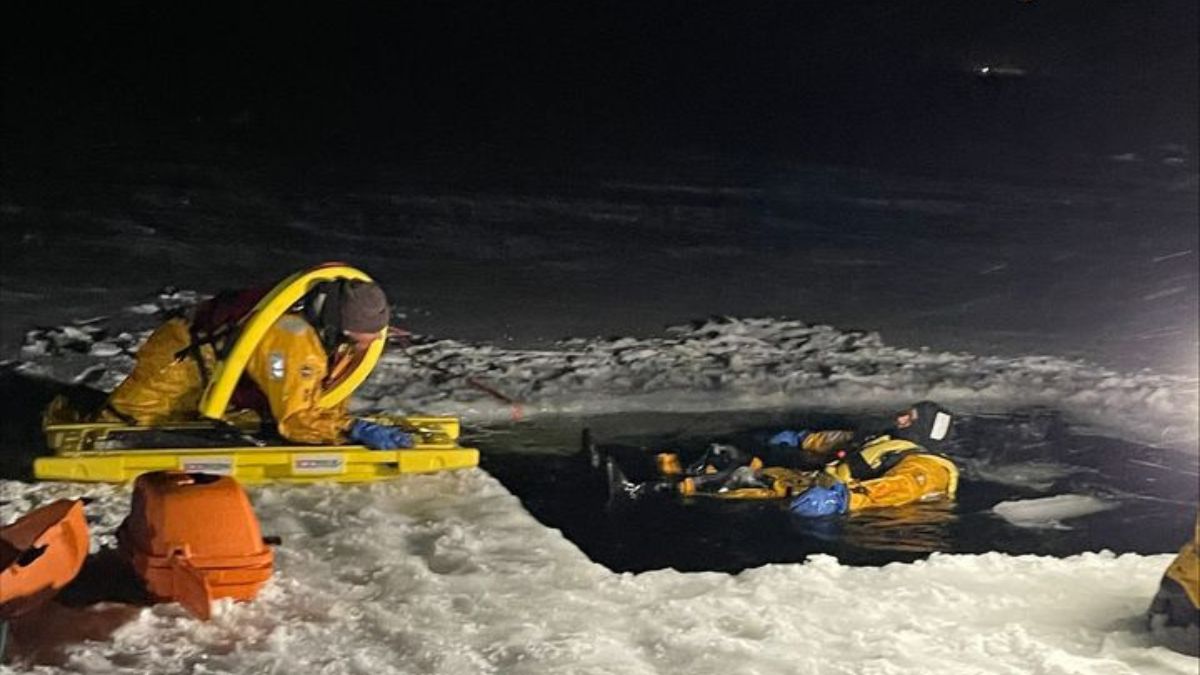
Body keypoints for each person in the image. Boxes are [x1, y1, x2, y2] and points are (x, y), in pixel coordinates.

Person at [89, 275, 413, 449]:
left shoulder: (321, 323)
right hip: (180, 362)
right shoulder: (295, 338)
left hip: (214, 368)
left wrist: (337, 423)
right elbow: (296, 419)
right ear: (338, 325)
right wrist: (351, 429)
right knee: (122, 426)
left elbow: (316, 391)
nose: (365, 346)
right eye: (358, 339)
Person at [605, 401, 959, 517]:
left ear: (924, 429)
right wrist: (801, 438)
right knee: (726, 456)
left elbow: (901, 488)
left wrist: (844, 501)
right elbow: (841, 441)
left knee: (740, 483)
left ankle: (638, 491)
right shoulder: (886, 440)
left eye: (909, 418)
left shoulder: (928, 467)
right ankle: (667, 469)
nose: (900, 418)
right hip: (803, 481)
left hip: (813, 496)